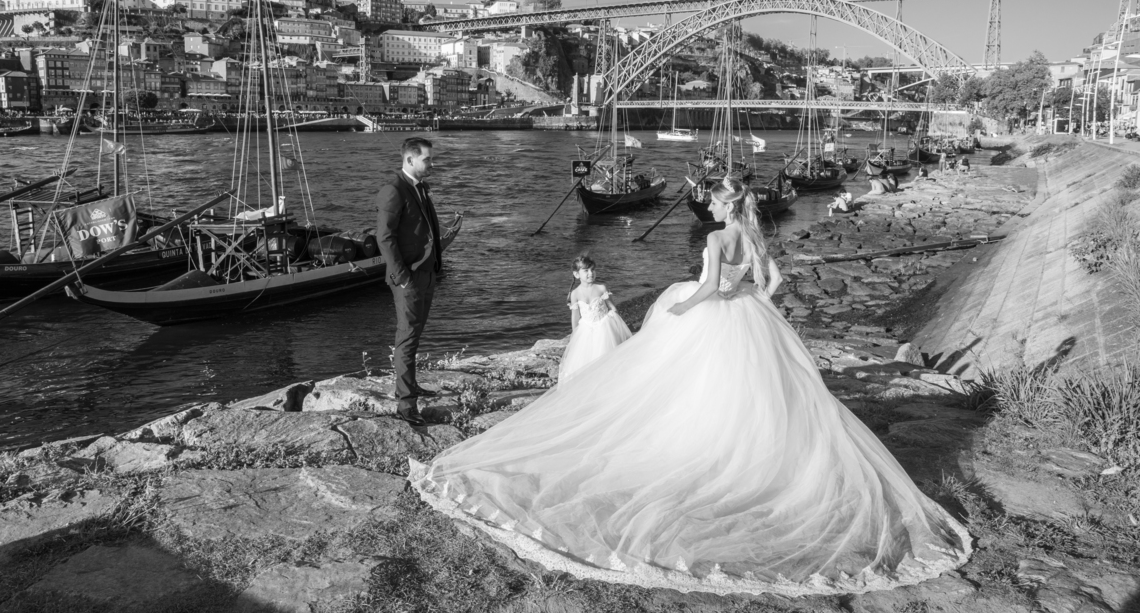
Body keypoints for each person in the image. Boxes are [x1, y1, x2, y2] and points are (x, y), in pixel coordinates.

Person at [412, 177, 970, 596]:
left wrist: (683, 306)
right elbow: (771, 281)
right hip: (748, 314)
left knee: (681, 385)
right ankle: (749, 453)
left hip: (716, 311)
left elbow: (706, 287)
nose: (711, 204)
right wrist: (752, 302)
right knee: (751, 393)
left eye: (714, 199)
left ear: (724, 204)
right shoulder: (750, 236)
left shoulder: (715, 237)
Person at [376, 137, 444, 428]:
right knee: (406, 338)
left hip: (426, 273)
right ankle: (406, 404)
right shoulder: (393, 190)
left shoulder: (420, 187)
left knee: (414, 335)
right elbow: (384, 237)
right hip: (409, 277)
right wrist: (402, 276)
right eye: (427, 159)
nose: (432, 163)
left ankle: (410, 386)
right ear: (410, 160)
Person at [559, 254, 632, 384]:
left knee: (606, 358)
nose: (590, 273)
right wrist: (575, 336)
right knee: (585, 362)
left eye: (593, 270)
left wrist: (612, 319)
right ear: (576, 274)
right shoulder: (575, 294)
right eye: (586, 271)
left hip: (605, 327)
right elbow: (575, 317)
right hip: (586, 330)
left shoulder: (601, 288)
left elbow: (612, 308)